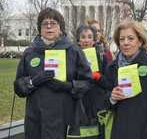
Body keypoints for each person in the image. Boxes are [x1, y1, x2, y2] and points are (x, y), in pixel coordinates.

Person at [14, 8, 92, 139]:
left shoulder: (73, 51)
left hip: (65, 118)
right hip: (37, 119)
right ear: (40, 28)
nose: (49, 26)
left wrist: (68, 86)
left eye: (53, 23)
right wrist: (33, 82)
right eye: (45, 23)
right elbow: (18, 87)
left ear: (60, 27)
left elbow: (87, 82)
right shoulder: (30, 52)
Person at [104, 20, 147, 139]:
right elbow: (105, 102)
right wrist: (112, 98)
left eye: (130, 38)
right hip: (120, 131)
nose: (125, 43)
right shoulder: (112, 67)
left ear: (140, 41)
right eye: (122, 39)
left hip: (146, 132)